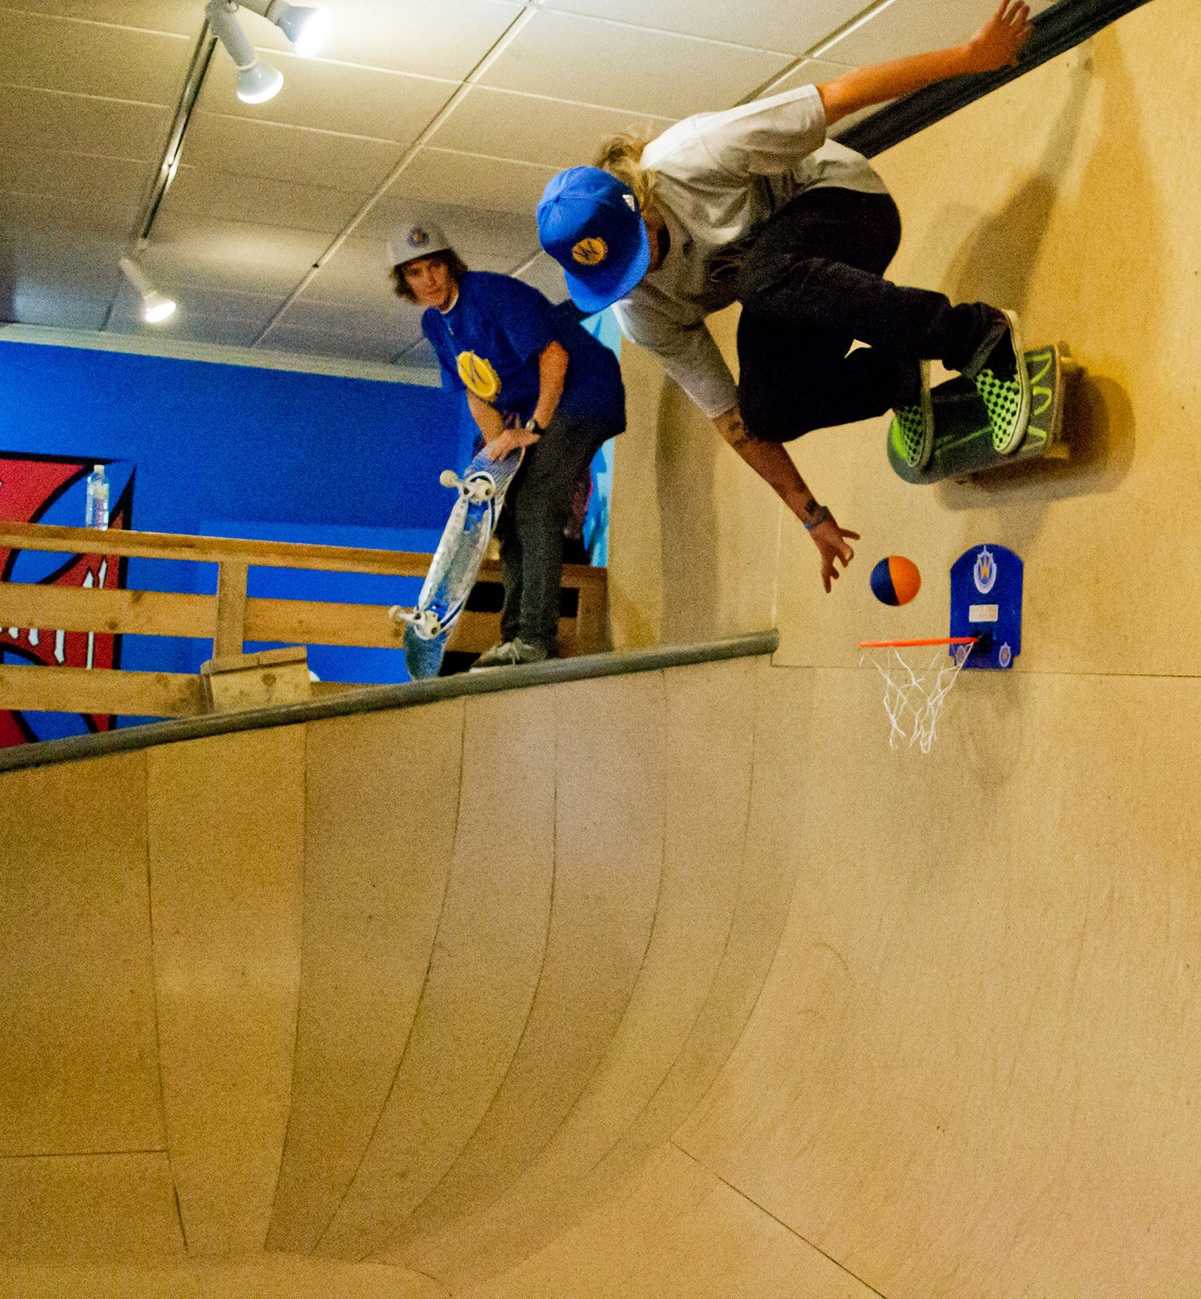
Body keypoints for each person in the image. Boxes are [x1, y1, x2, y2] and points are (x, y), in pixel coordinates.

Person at [536, 0, 1035, 593]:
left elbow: (840, 93)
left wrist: (970, 57)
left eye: (637, 255)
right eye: (619, 276)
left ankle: (977, 334)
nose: (641, 278)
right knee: (767, 411)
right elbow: (732, 422)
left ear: (640, 203)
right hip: (798, 292)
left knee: (759, 278)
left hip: (849, 208)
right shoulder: (643, 312)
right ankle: (897, 375)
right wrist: (810, 515)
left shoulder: (694, 154)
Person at [389, 221, 626, 666]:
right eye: (416, 273)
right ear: (406, 282)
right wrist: (499, 442)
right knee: (507, 509)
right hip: (541, 405)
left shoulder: (490, 294)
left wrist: (532, 426)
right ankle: (512, 635)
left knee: (538, 503)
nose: (429, 280)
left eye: (435, 266)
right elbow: (476, 390)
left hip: (585, 392)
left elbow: (555, 356)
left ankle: (535, 639)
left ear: (450, 265)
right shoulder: (436, 324)